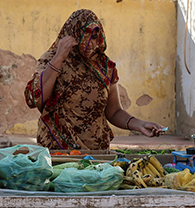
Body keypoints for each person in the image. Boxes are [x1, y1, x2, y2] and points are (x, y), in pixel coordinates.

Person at [24, 9, 163, 150]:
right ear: (73, 35)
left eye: (95, 36)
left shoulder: (105, 66)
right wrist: (59, 58)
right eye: (85, 36)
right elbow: (34, 98)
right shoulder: (52, 59)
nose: (91, 43)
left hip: (96, 153)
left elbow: (114, 112)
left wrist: (140, 125)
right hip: (58, 150)